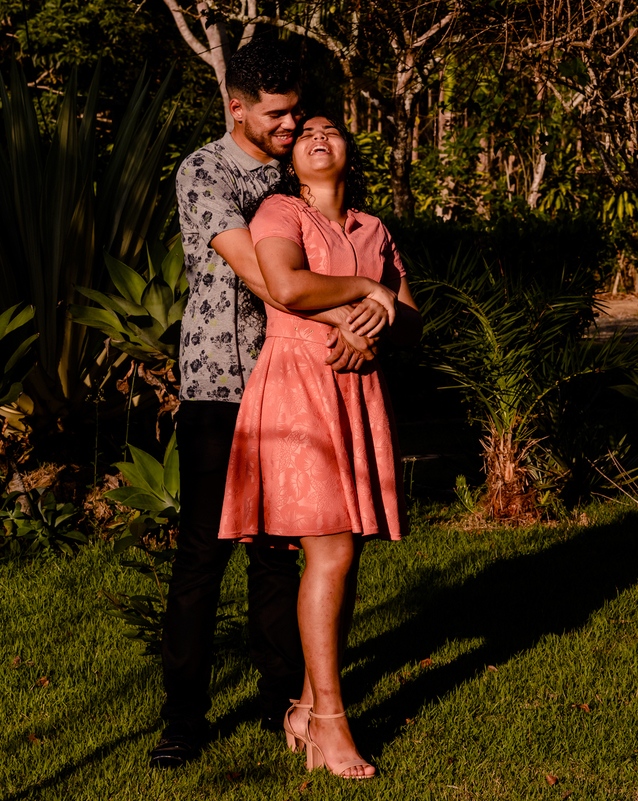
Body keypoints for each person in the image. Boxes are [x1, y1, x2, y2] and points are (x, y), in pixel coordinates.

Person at [152, 40, 379, 769]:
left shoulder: (297, 177)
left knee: (286, 552)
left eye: (296, 113)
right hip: (223, 379)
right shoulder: (204, 171)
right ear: (237, 107)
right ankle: (183, 718)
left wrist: (368, 309)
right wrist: (352, 312)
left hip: (296, 383)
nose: (291, 127)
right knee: (204, 555)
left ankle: (289, 698)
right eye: (277, 116)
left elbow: (349, 257)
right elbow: (265, 275)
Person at [217, 112, 421, 780]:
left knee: (347, 550)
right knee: (329, 547)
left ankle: (306, 706)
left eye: (330, 129)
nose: (316, 137)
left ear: (348, 150)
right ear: (293, 159)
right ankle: (331, 723)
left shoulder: (374, 228)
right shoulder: (279, 211)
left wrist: (377, 329)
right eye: (304, 133)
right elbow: (287, 285)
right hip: (298, 385)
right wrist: (367, 293)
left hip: (358, 390)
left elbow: (409, 316)